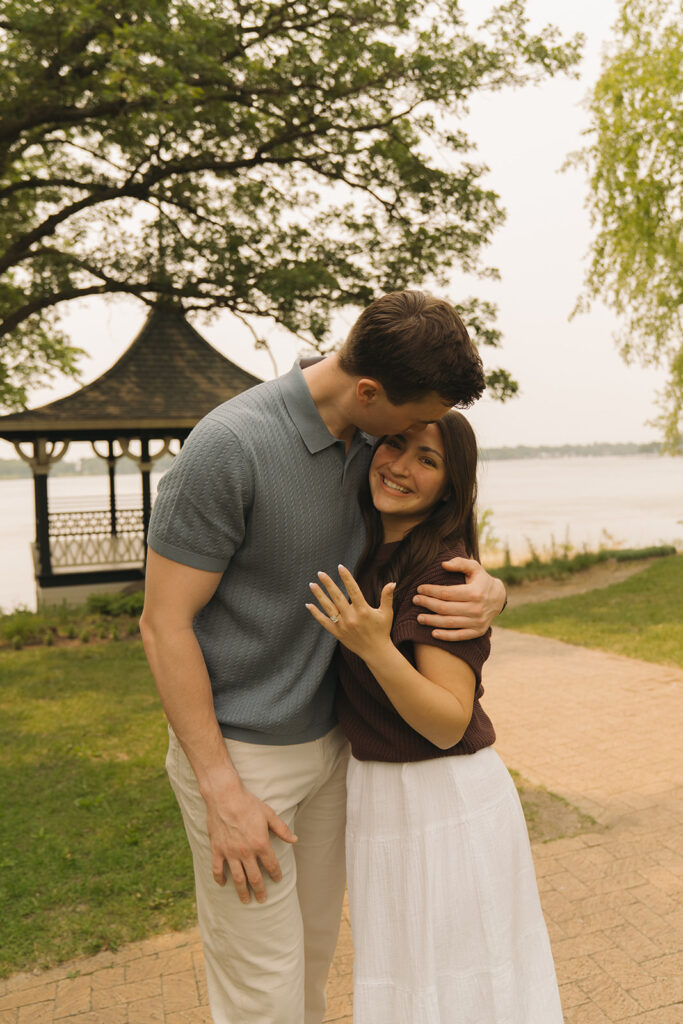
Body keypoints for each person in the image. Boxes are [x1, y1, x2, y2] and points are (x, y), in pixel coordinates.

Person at [139, 290, 507, 1024]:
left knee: (311, 960)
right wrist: (221, 789)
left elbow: (427, 527)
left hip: (337, 751)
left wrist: (492, 590)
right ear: (368, 392)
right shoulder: (229, 446)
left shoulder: (372, 443)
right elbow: (162, 624)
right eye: (407, 423)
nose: (405, 443)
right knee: (262, 990)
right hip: (244, 760)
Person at [306, 410, 563, 1024]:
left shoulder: (441, 572)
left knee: (462, 986)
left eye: (428, 460)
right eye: (395, 444)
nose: (400, 467)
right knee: (407, 979)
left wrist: (373, 648)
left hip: (443, 798)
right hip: (381, 796)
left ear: (450, 487)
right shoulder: (368, 547)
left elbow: (448, 721)